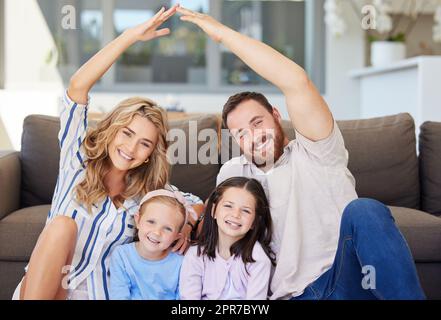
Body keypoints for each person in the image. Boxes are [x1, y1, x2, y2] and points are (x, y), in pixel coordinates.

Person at [177, 7, 426, 300]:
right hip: (291, 296)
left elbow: (295, 80)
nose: (253, 137)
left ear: (276, 114)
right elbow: (215, 210)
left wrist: (222, 36)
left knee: (365, 210)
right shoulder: (233, 172)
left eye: (257, 123)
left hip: (345, 280)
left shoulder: (317, 150)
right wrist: (188, 219)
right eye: (241, 133)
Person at [14, 5, 203, 300]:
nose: (130, 148)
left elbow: (196, 203)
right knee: (62, 225)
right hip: (47, 289)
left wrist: (188, 224)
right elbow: (77, 86)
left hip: (97, 293)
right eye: (127, 133)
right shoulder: (76, 161)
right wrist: (128, 38)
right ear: (112, 128)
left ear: (151, 153)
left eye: (144, 143)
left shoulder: (150, 194)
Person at [179, 177, 275, 300]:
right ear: (214, 210)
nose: (236, 215)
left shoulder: (258, 259)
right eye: (228, 206)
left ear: (254, 222)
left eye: (245, 210)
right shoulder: (195, 255)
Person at [109, 188, 197, 300]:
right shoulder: (121, 255)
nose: (157, 232)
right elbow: (119, 295)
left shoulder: (181, 262)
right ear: (138, 220)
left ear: (177, 236)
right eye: (151, 222)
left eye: (168, 228)